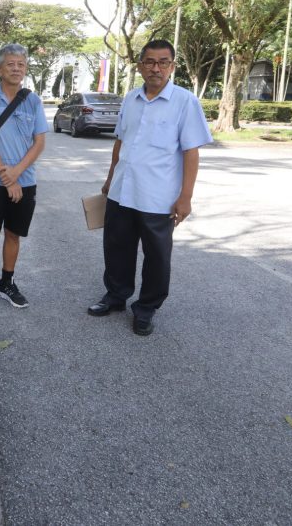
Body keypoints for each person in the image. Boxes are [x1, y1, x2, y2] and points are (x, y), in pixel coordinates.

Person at [87, 39, 213, 335]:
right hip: (122, 191)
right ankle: (116, 296)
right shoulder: (131, 98)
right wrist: (109, 179)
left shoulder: (185, 102)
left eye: (163, 62)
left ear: (172, 66)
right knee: (116, 248)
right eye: (150, 62)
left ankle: (146, 308)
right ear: (140, 65)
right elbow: (121, 140)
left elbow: (191, 151)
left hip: (158, 197)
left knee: (157, 256)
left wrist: (186, 197)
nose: (156, 68)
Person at [0, 43, 48, 312]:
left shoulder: (33, 101)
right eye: (11, 64)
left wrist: (17, 173)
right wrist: (8, 179)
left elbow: (39, 143)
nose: (17, 69)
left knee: (14, 234)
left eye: (21, 65)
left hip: (25, 182)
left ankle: (7, 282)